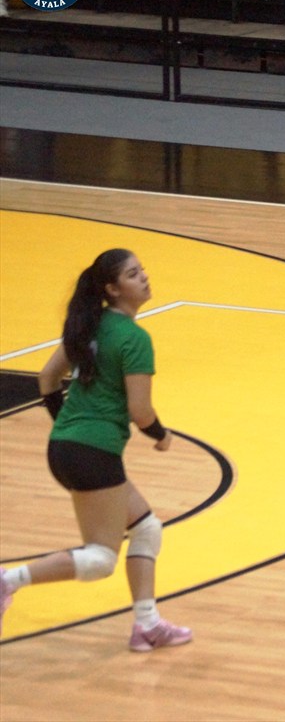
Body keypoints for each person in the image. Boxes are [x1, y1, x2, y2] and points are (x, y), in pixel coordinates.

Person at [0, 249, 192, 651]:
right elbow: (141, 412)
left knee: (146, 528)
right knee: (101, 558)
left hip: (67, 448)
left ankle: (147, 625)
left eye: (142, 270)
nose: (144, 277)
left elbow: (47, 378)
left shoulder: (90, 324)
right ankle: (7, 581)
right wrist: (161, 435)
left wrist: (68, 426)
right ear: (112, 288)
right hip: (93, 453)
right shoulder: (134, 339)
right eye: (133, 274)